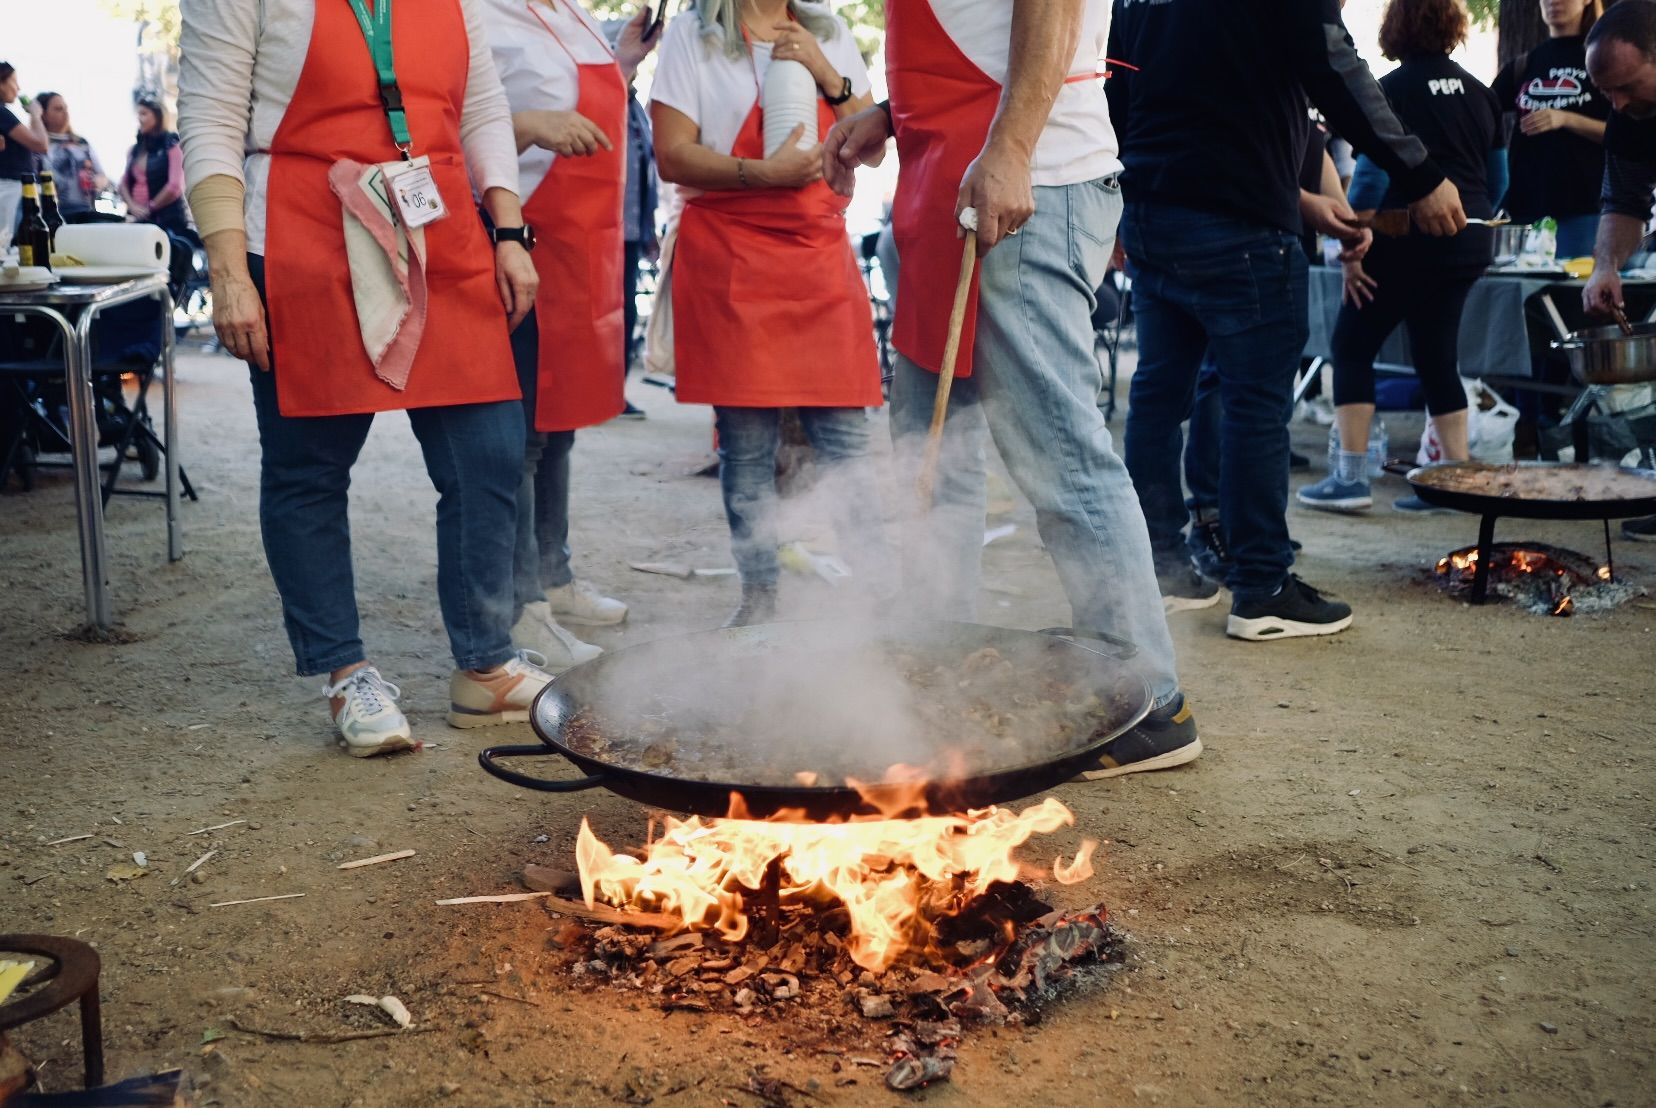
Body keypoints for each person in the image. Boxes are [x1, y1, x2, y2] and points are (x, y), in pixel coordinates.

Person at [825, 0, 1196, 779]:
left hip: (1026, 180)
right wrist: (895, 114)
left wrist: (1012, 147)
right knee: (939, 453)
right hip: (950, 177)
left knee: (1061, 454)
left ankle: (1152, 706)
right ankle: (933, 667)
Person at [179, 0, 555, 755]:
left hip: (441, 228)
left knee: (490, 450)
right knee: (309, 468)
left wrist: (508, 230)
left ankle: (485, 662)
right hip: (300, 234)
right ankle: (345, 671)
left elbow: (480, 104)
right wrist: (227, 272)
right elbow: (210, 121)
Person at [1107, 0, 1467, 642]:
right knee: (1253, 405)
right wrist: (1421, 173)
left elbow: (1122, 92)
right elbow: (1333, 63)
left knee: (1159, 396)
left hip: (1153, 213)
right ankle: (1264, 587)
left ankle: (1158, 568)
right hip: (1239, 225)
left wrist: (1299, 203)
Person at [652, 0, 890, 627]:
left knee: (847, 445)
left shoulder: (830, 33)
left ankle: (880, 605)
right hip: (731, 256)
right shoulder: (691, 37)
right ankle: (759, 602)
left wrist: (827, 73)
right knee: (747, 447)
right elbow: (673, 155)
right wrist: (759, 173)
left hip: (817, 257)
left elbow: (872, 150)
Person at [483, 0, 653, 670]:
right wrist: (527, 126)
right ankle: (526, 606)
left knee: (561, 426)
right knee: (522, 437)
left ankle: (555, 574)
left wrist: (626, 65)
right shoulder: (477, 13)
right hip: (523, 235)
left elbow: (587, 104)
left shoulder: (572, 13)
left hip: (585, 249)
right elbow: (452, 121)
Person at [1299, 0, 1507, 516]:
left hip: (1400, 234)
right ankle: (1453, 480)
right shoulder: (1482, 93)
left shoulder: (1389, 91)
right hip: (1470, 236)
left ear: (1395, 29)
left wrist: (1352, 246)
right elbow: (1500, 180)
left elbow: (1370, 175)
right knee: (1437, 355)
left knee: (1351, 344)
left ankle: (1350, 478)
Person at [1581, 0, 1656, 541]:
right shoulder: (1629, 117)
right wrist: (1605, 264)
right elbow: (1624, 199)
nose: (1617, 101)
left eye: (1627, 85)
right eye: (1607, 92)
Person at [1493, 1, 1607, 260]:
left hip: (1584, 212)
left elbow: (1629, 133)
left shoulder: (1602, 60)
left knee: (1573, 297)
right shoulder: (1525, 63)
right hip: (1523, 213)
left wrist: (1566, 118)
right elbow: (1481, 113)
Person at [620, 83, 659, 414]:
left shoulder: (637, 113)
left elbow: (647, 170)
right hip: (602, 226)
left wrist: (649, 230)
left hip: (630, 229)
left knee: (625, 312)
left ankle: (613, 391)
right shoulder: (608, 102)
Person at [121, 97, 190, 236]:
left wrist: (149, 208)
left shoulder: (172, 145)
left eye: (144, 114)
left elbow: (174, 186)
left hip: (168, 221)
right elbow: (123, 184)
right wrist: (133, 207)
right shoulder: (135, 150)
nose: (139, 119)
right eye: (138, 114)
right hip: (139, 221)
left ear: (158, 115)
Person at [36, 93, 111, 221]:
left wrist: (99, 181)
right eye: (58, 109)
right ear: (43, 114)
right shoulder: (37, 145)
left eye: (66, 108)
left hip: (86, 211)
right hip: (53, 216)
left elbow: (103, 176)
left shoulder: (81, 143)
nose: (65, 113)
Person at [0, 63, 49, 249]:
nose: (18, 88)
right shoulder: (3, 113)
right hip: (11, 189)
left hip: (10, 188)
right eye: (14, 82)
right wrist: (35, 115)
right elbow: (40, 144)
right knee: (16, 243)